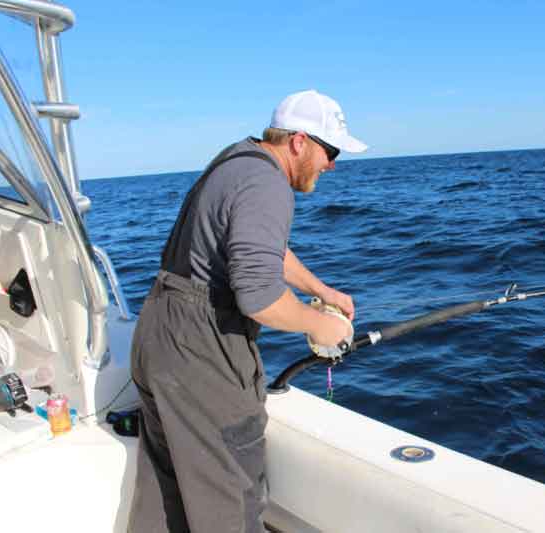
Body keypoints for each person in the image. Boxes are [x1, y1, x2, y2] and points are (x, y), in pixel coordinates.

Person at [128, 89, 368, 533]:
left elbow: (261, 248)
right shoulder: (267, 184)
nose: (332, 165)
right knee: (232, 501)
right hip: (200, 353)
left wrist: (320, 290)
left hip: (159, 332)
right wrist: (323, 325)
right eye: (330, 152)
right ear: (299, 142)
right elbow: (259, 298)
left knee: (167, 497)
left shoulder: (237, 161)